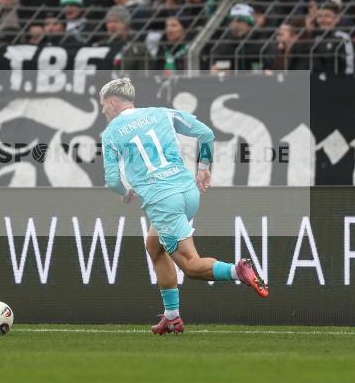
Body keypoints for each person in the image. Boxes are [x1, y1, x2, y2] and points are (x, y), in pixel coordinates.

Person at [98, 77, 268, 336]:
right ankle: (172, 317)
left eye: (103, 106)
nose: (102, 111)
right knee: (154, 246)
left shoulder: (110, 133)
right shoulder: (161, 113)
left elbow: (111, 180)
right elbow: (206, 134)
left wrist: (125, 192)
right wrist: (203, 169)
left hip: (163, 200)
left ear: (112, 102)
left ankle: (237, 270)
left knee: (190, 265)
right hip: (188, 191)